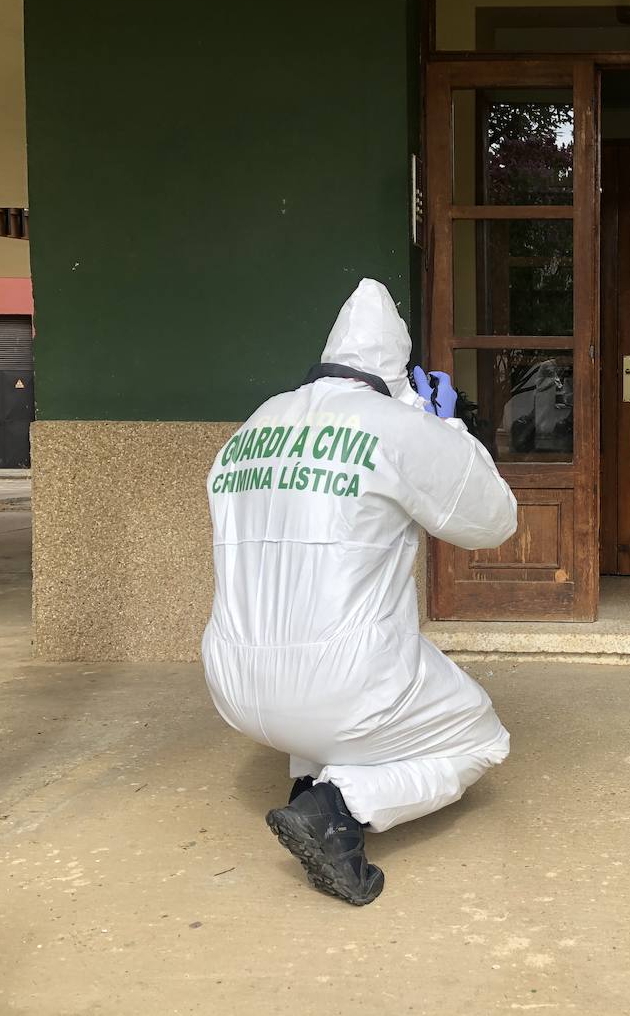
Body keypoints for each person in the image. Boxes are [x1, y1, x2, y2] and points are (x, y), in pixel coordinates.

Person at [201, 278, 518, 906]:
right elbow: (493, 520)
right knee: (481, 737)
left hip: (231, 682)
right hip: (342, 688)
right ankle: (339, 806)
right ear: (398, 375)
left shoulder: (252, 427)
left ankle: (310, 781)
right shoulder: (395, 426)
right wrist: (446, 429)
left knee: (312, 650)